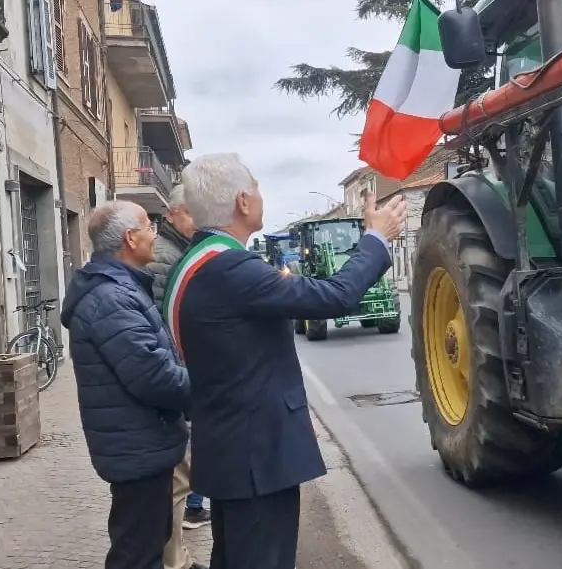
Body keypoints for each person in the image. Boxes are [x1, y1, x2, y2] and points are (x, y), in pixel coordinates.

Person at [165, 153, 406, 569]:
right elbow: (336, 296)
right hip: (256, 458)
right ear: (243, 201)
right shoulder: (231, 268)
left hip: (231, 450)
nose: (261, 194)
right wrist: (376, 239)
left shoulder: (200, 262)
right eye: (257, 186)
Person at [60, 200, 190, 569]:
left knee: (144, 543)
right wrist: (211, 389)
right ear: (131, 239)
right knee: (137, 552)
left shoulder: (119, 289)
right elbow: (154, 376)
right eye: (149, 226)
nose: (155, 234)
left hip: (139, 445)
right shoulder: (112, 298)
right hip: (137, 447)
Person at [145, 185, 210, 569]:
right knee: (177, 480)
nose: (197, 222)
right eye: (192, 214)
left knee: (181, 479)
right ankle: (172, 560)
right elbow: (163, 327)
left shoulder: (176, 252)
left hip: (178, 377)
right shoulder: (165, 259)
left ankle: (175, 555)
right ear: (173, 214)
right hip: (176, 381)